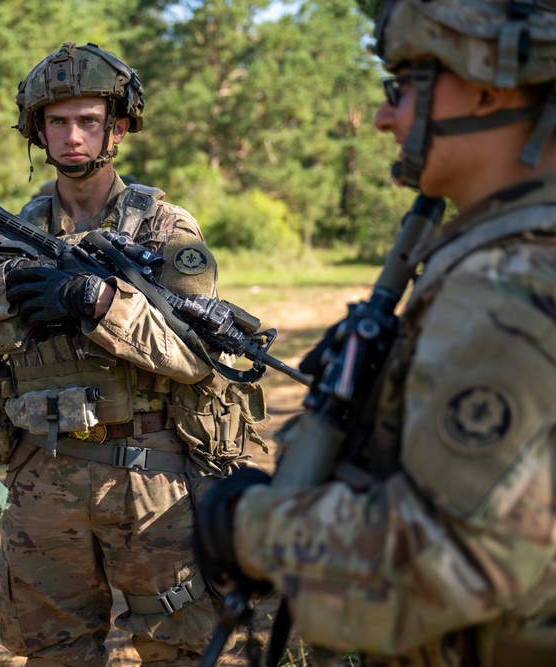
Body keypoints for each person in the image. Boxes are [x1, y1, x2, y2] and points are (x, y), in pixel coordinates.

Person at [194, 1, 556, 665]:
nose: (387, 118)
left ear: (487, 86)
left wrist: (247, 528)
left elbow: (456, 552)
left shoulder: (510, 280)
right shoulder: (500, 252)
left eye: (404, 88)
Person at [0, 42, 266, 667]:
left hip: (152, 477)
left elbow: (199, 355)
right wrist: (0, 291)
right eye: (58, 121)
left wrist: (97, 302)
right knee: (54, 653)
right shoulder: (6, 238)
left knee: (180, 649)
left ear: (118, 126)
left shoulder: (164, 229)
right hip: (43, 478)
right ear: (38, 128)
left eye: (88, 120)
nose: (73, 136)